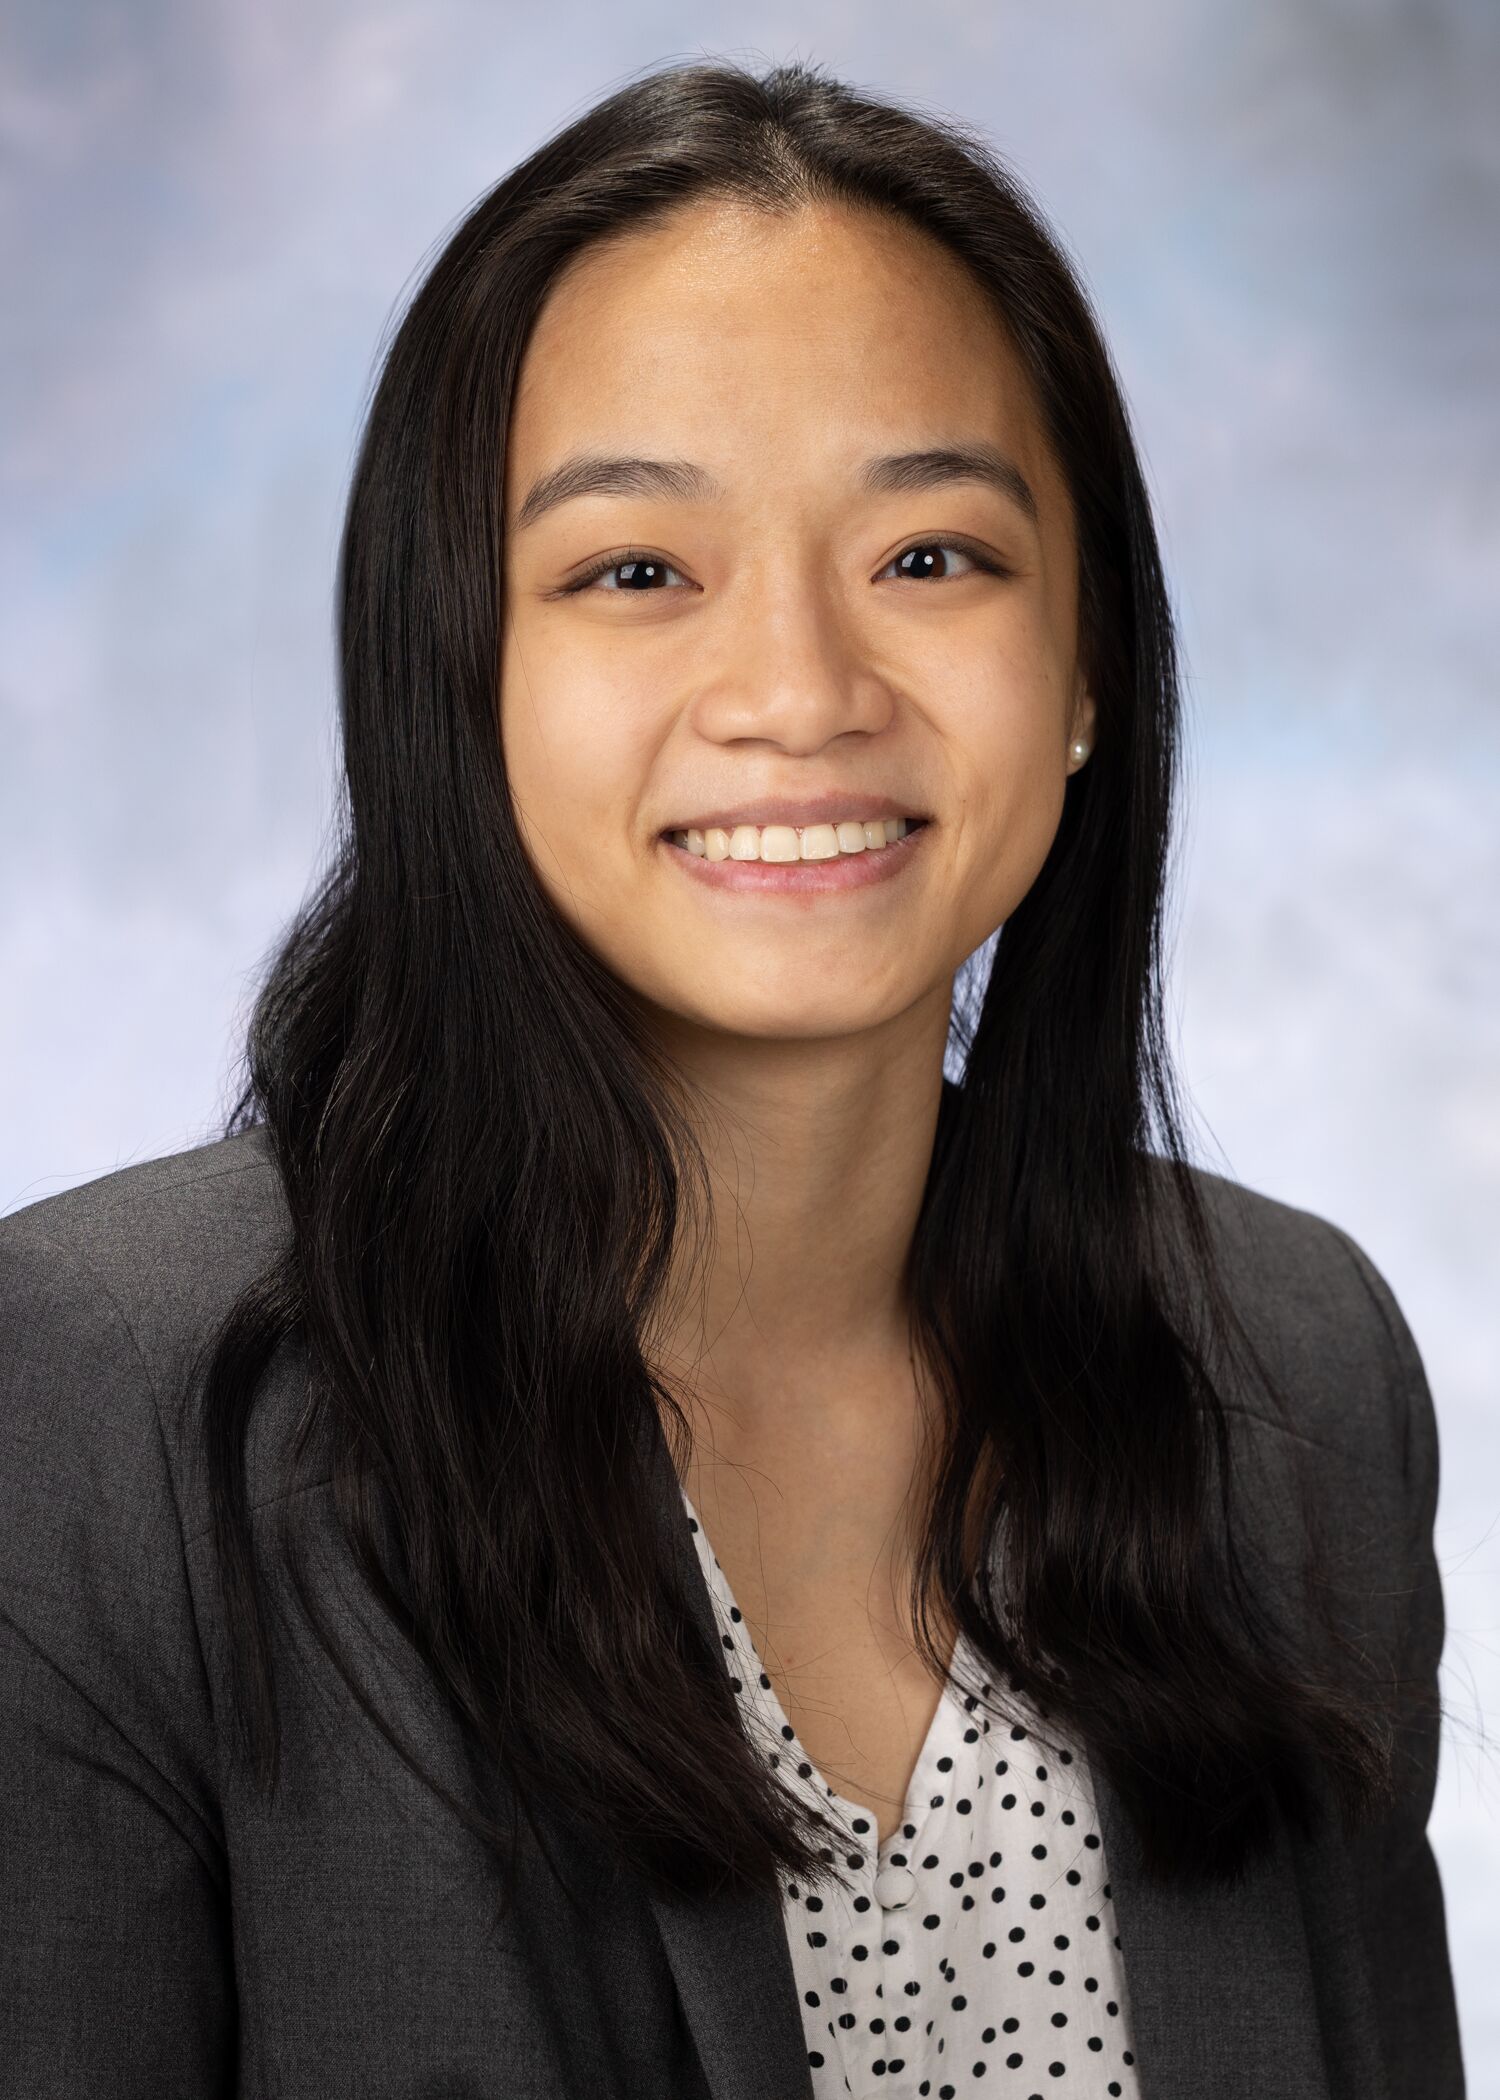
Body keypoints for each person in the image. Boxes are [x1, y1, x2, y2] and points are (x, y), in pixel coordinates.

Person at [0, 55, 1464, 2100]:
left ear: (1090, 671)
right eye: (635, 572)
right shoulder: (100, 1410)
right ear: (456, 672)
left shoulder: (1292, 1372)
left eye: (933, 558)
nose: (799, 693)